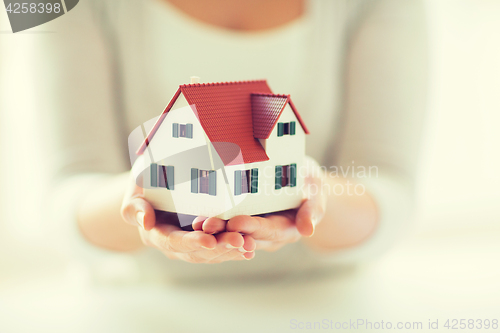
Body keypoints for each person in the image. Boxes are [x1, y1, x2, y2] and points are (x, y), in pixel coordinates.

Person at [42, 0, 427, 280]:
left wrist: (307, 190)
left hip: (322, 305)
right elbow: (65, 198)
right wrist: (149, 195)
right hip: (139, 308)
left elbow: (390, 187)